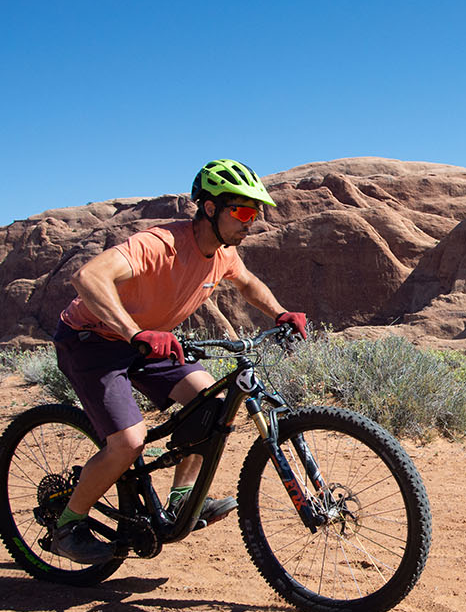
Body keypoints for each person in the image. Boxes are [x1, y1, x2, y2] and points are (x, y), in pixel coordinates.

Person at [48, 159, 308, 564]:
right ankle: (68, 524)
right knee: (129, 443)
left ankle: (183, 501)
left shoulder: (222, 253)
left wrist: (280, 313)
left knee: (210, 409)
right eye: (241, 211)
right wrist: (135, 333)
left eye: (254, 213)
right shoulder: (159, 244)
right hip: (92, 341)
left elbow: (249, 283)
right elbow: (88, 277)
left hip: (148, 342)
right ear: (209, 208)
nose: (250, 222)